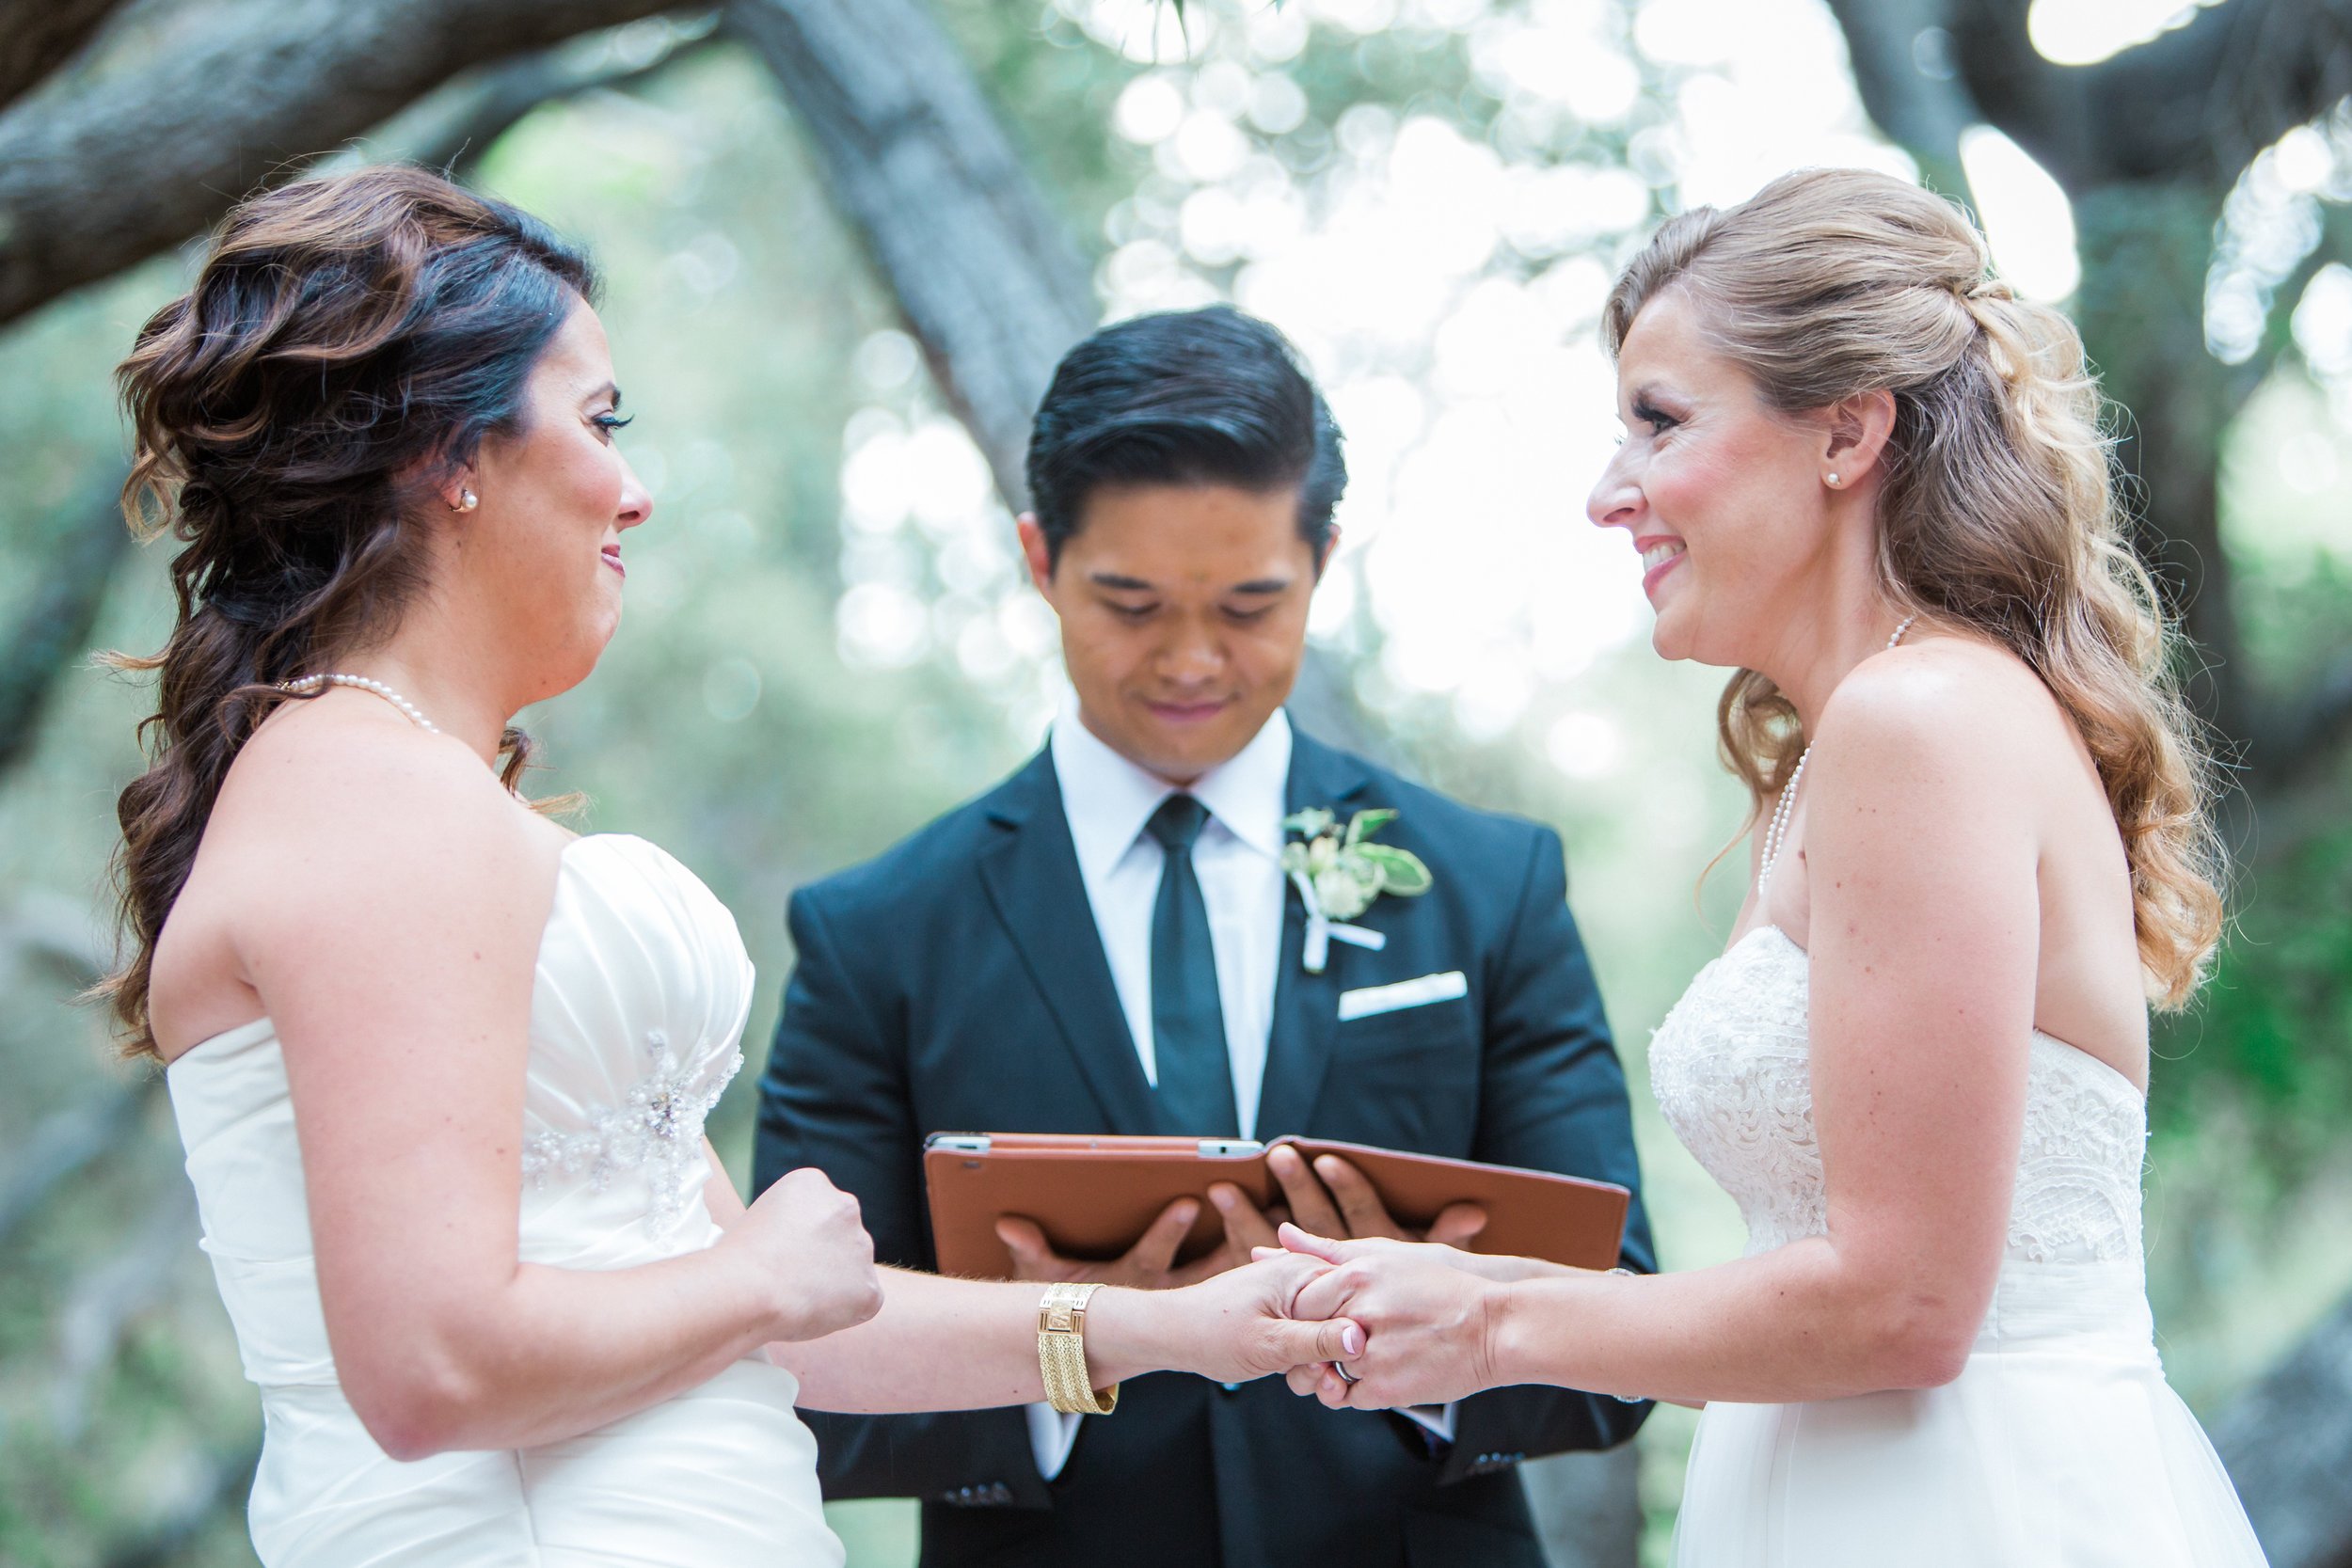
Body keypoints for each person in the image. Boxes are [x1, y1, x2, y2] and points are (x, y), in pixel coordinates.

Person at [109, 166, 1352, 1568]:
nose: (632, 493)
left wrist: (1179, 1326)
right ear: (448, 454)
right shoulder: (369, 792)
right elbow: (434, 1369)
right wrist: (753, 1281)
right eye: (599, 422)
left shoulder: (401, 786)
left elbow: (800, 1321)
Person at [1269, 167, 2268, 1566]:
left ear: (1848, 434)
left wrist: (1493, 1325)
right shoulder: (1843, 750)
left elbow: (1907, 1306)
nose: (1608, 493)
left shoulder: (1919, 720)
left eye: (1659, 424)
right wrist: (1447, 1278)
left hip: (1968, 1508)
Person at [753, 304, 1652, 1568]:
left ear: (1322, 562)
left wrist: (1432, 1330)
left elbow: (1625, 1330)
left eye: (1246, 605)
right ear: (1037, 558)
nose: (1188, 659)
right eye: (1129, 603)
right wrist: (1094, 1332)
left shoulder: (1490, 886)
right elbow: (800, 1361)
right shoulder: (876, 934)